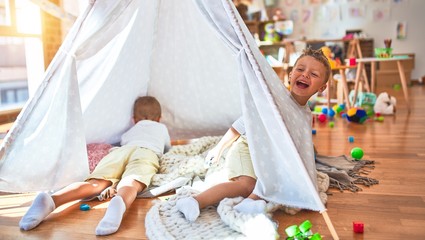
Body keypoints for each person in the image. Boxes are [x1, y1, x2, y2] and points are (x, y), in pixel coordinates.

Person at [176, 48, 331, 221]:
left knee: (281, 179)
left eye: (314, 74)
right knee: (247, 185)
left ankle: (250, 202)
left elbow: (300, 146)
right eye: (300, 69)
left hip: (272, 158)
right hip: (248, 149)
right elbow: (244, 122)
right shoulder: (275, 100)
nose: (305, 75)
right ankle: (195, 201)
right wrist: (219, 148)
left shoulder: (306, 114)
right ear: (290, 75)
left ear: (322, 88)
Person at [19, 96, 171, 235]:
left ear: (134, 119)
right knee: (131, 182)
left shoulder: (130, 131)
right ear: (159, 118)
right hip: (146, 152)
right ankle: (120, 201)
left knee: (95, 183)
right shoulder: (162, 128)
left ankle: (52, 200)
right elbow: (167, 149)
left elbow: (124, 142)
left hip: (120, 151)